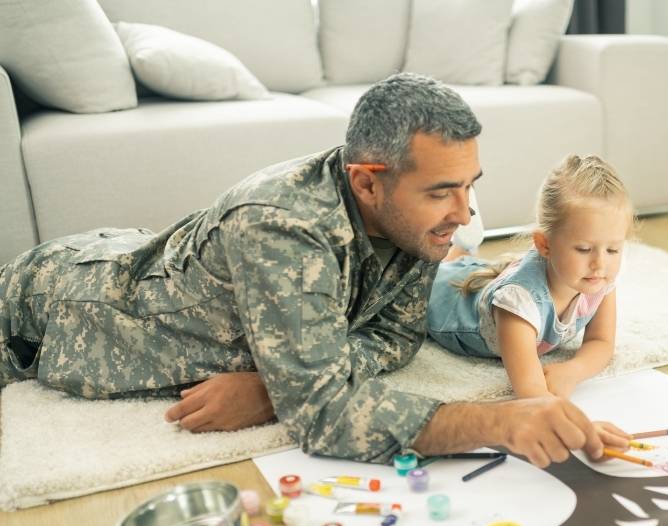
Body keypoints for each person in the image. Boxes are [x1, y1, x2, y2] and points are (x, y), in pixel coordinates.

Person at [0, 73, 610, 468]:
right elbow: (323, 417)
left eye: (469, 186)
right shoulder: (280, 225)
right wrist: (497, 421)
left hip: (149, 261)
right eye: (442, 191)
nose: (464, 211)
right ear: (368, 181)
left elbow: (395, 338)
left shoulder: (415, 221)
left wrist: (277, 387)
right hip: (54, 305)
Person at [427, 155, 633, 449]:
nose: (600, 264)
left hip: (488, 282)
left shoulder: (598, 280)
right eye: (585, 248)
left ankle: (461, 252)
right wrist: (583, 431)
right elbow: (532, 392)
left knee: (469, 268)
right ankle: (450, 247)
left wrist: (573, 370)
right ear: (544, 244)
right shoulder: (519, 303)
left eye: (613, 249)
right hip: (446, 302)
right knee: (433, 274)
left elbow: (601, 342)